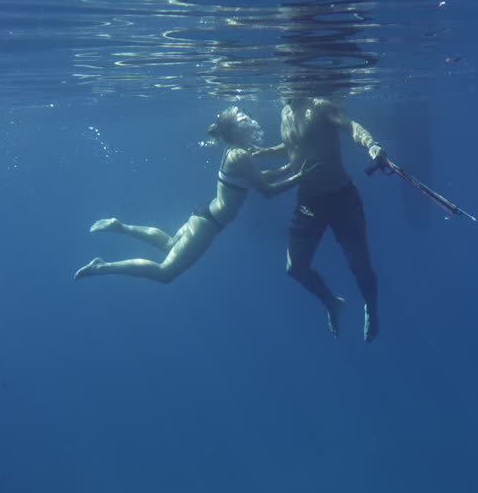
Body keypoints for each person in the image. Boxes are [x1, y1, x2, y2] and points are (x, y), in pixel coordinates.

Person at [74, 107, 306, 284]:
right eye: (244, 119)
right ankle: (102, 266)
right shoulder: (239, 155)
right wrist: (299, 177)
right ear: (235, 130)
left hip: (205, 215)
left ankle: (120, 227)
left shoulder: (237, 152)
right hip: (209, 224)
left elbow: (256, 177)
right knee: (166, 273)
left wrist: (289, 169)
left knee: (169, 244)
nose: (250, 121)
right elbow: (266, 191)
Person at [256, 96, 386, 343]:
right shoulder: (285, 112)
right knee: (295, 268)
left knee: (359, 265)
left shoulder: (319, 106)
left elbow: (350, 126)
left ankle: (371, 306)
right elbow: (294, 146)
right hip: (308, 201)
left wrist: (371, 144)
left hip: (342, 198)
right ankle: (332, 302)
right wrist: (265, 152)